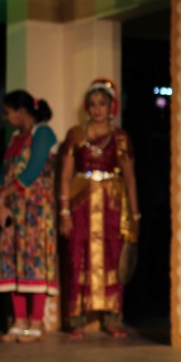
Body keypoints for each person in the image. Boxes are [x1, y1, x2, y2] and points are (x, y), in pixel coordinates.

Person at [58, 78, 139, 338]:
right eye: (92, 104)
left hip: (112, 205)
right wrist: (64, 212)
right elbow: (65, 175)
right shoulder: (76, 135)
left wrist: (135, 214)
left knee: (112, 255)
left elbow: (129, 177)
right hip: (81, 202)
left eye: (102, 104)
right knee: (76, 255)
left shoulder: (120, 138)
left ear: (111, 107)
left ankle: (113, 318)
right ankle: (76, 320)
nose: (97, 109)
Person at [0, 90, 59, 343]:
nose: (7, 118)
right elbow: (4, 173)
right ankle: (19, 320)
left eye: (8, 112)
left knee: (35, 260)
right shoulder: (14, 139)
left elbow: (33, 169)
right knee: (13, 259)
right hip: (13, 210)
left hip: (36, 209)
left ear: (21, 112)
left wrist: (5, 193)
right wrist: (1, 203)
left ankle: (36, 321)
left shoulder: (42, 133)